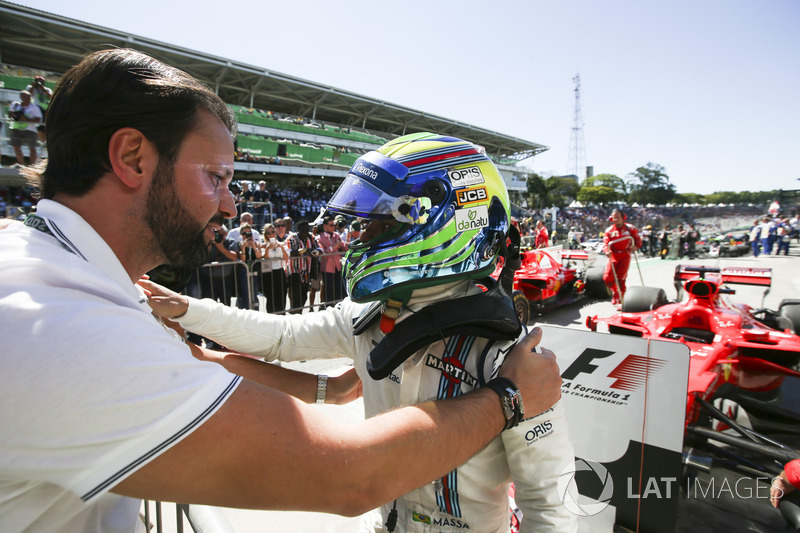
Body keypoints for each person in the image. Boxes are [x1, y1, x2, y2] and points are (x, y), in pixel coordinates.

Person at [1, 49, 562, 532]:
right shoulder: (56, 320)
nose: (228, 203)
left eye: (379, 222)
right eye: (216, 177)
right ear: (131, 158)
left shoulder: (505, 348)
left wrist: (190, 319)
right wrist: (508, 398)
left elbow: (550, 500)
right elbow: (339, 453)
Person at [144, 133, 577, 532]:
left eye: (380, 222)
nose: (361, 235)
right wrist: (185, 309)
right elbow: (280, 337)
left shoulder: (510, 356)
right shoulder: (368, 314)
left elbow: (550, 502)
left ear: (443, 221)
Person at [601, 208, 642, 305]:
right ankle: (615, 292)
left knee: (620, 279)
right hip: (613, 256)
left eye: (618, 218)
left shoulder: (630, 228)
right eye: (614, 218)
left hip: (625, 255)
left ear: (623, 218)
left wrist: (636, 246)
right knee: (607, 278)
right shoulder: (609, 230)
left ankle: (621, 299)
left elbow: (637, 239)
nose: (616, 220)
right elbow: (605, 243)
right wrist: (607, 251)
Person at [286, 220, 319, 313]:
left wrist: (313, 251)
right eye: (303, 229)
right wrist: (306, 250)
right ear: (298, 229)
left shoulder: (310, 237)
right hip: (294, 270)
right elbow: (291, 252)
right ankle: (295, 312)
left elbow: (319, 248)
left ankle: (299, 311)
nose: (305, 231)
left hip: (306, 271)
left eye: (307, 229)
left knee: (304, 294)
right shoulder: (292, 238)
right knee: (295, 293)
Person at [8, 90, 43, 166]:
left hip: (30, 130)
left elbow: (38, 120)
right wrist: (15, 115)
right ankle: (21, 165)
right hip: (16, 128)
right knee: (16, 147)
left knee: (32, 149)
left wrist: (26, 119)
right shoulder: (15, 105)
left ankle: (33, 166)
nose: (27, 98)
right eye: (25, 96)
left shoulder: (35, 108)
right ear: (21, 97)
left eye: (29, 96)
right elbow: (10, 115)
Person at [318, 215, 346, 307]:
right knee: (329, 291)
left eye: (334, 225)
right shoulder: (319, 238)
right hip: (327, 268)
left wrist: (349, 243)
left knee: (339, 289)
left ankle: (339, 308)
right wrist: (333, 247)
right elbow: (321, 252)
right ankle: (329, 309)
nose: (333, 227)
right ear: (324, 226)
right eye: (331, 225)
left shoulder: (336, 235)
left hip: (337, 266)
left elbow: (343, 246)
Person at [260, 222, 289, 313]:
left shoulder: (281, 244)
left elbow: (286, 257)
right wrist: (268, 248)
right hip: (269, 273)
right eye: (268, 233)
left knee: (281, 296)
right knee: (270, 298)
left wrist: (281, 247)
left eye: (273, 232)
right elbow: (265, 258)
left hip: (279, 272)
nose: (271, 234)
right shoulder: (264, 246)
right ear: (266, 235)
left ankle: (281, 316)